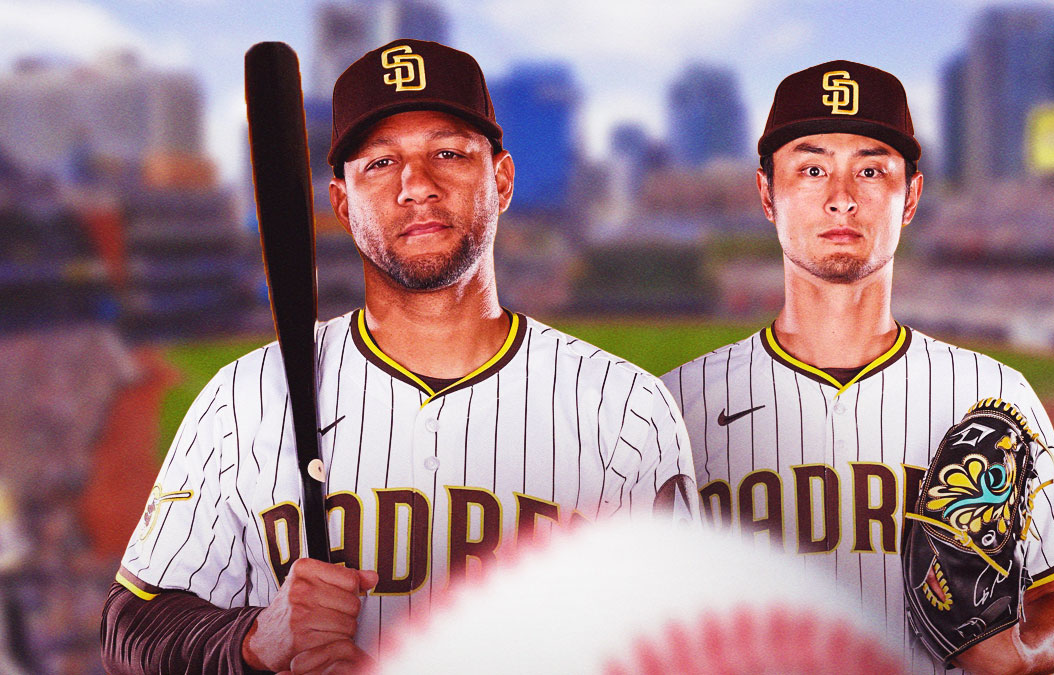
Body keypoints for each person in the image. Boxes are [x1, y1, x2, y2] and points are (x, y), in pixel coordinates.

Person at [102, 39, 697, 674]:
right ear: (340, 202)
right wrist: (255, 638)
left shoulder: (627, 409)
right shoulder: (244, 398)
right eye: (381, 163)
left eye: (447, 153)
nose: (417, 185)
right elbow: (128, 629)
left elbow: (698, 636)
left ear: (501, 179)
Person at [664, 61, 1054, 674]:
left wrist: (1021, 655)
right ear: (767, 194)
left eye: (871, 170)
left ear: (910, 196)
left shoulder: (995, 393)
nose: (842, 198)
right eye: (812, 170)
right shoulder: (676, 404)